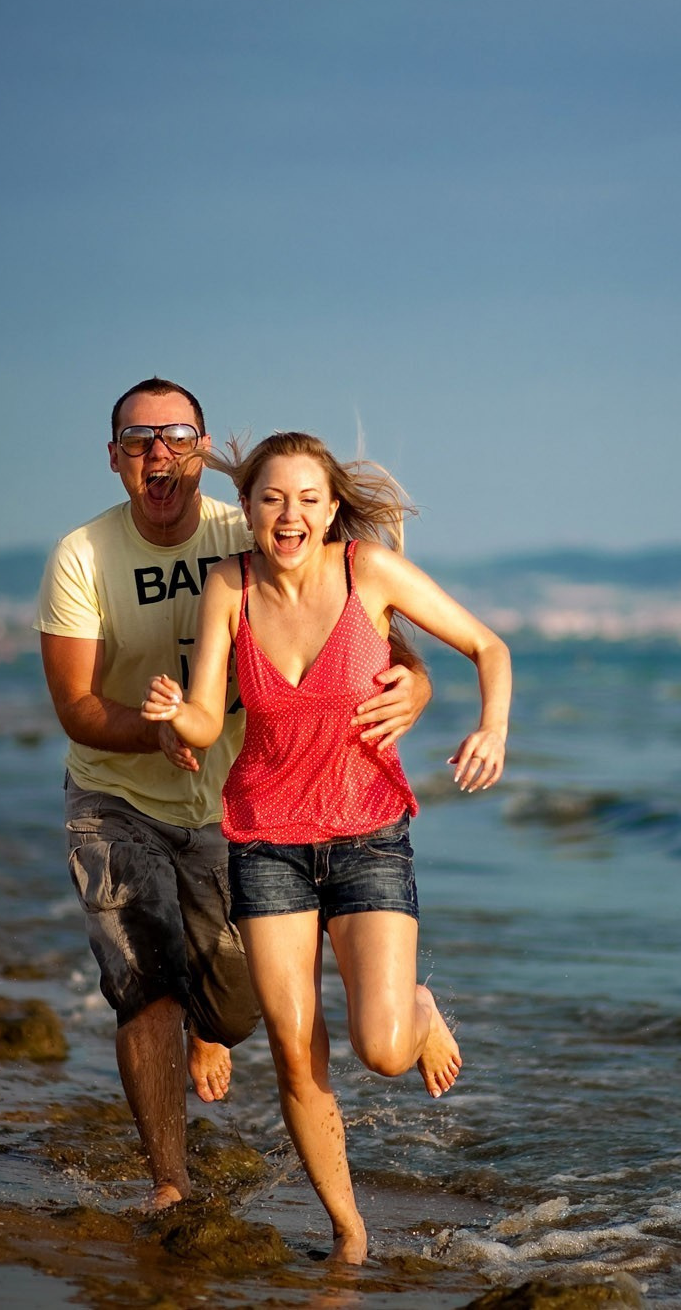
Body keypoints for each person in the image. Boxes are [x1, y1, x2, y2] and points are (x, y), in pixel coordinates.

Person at [36, 379, 431, 1213]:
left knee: (239, 1008)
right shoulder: (83, 556)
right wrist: (163, 731)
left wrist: (420, 686)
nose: (158, 454)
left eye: (176, 436)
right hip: (118, 795)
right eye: (138, 441)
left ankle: (208, 1024)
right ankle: (169, 1183)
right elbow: (73, 705)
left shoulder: (252, 529)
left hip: (235, 811)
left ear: (204, 451)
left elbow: (373, 634)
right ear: (114, 459)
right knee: (143, 981)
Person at [141, 431, 511, 1266]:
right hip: (266, 840)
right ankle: (348, 1230)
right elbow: (208, 716)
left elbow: (489, 646)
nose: (289, 515)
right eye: (273, 498)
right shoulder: (227, 585)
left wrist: (491, 726)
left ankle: (417, 1008)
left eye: (308, 499)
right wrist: (174, 717)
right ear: (249, 508)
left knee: (381, 1048)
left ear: (332, 508)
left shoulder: (366, 573)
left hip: (368, 832)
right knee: (294, 1046)